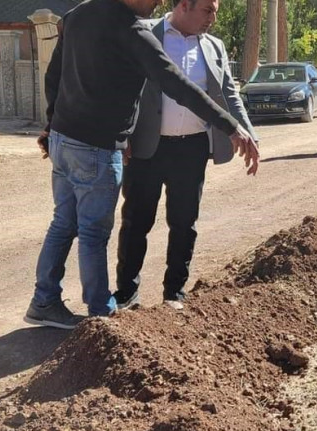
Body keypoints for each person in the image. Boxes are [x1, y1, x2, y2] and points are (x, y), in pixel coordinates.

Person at [24, 0, 259, 330]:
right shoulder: (136, 31)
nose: (158, 2)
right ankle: (103, 314)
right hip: (98, 147)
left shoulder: (79, 14)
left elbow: (54, 75)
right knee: (94, 232)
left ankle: (44, 301)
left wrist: (52, 124)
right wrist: (231, 127)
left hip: (64, 138)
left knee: (63, 223)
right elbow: (177, 85)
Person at [113, 0, 258, 311]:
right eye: (208, 10)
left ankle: (174, 293)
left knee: (184, 223)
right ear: (183, 6)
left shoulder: (214, 46)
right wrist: (120, 135)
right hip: (147, 147)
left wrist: (246, 132)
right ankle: (126, 293)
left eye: (216, 10)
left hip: (192, 148)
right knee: (136, 221)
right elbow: (122, 85)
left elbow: (228, 93)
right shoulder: (145, 33)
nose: (214, 18)